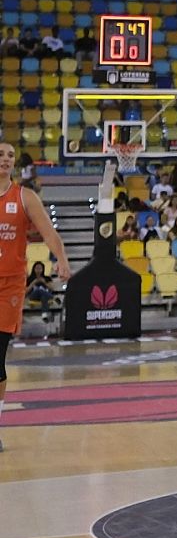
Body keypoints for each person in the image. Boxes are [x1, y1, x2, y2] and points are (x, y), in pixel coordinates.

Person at [0, 141, 72, 453]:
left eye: (10, 155)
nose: (5, 159)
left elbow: (49, 233)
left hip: (10, 285)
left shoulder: (24, 196)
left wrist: (62, 259)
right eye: (1, 154)